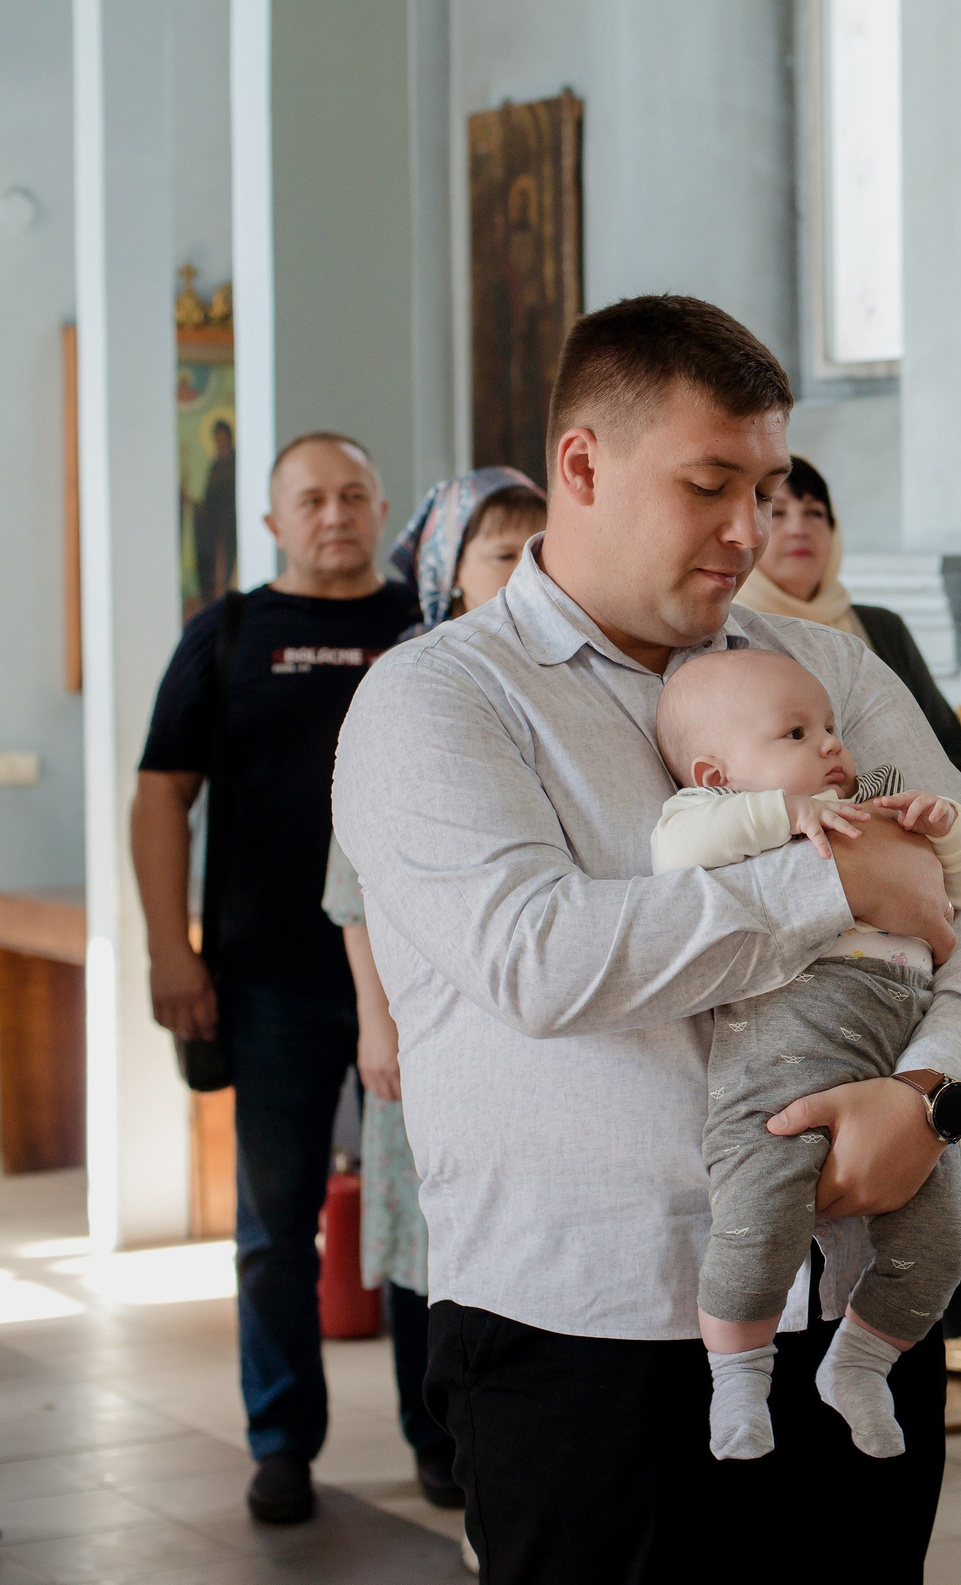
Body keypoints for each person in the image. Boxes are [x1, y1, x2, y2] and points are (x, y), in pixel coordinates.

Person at [331, 294, 961, 1585]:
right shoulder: (438, 696)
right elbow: (540, 957)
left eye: (764, 489)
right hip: (590, 1333)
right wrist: (840, 889)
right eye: (711, 486)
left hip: (851, 1301)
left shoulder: (821, 667)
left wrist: (932, 1092)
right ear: (582, 465)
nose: (748, 532)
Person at [133, 432, 418, 1525]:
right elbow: (163, 795)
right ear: (273, 521)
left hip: (416, 982)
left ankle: (436, 1435)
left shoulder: (426, 631)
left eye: (354, 493)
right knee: (273, 1225)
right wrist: (172, 948)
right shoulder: (231, 633)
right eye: (311, 498)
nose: (334, 513)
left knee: (424, 1218)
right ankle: (282, 1440)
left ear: (381, 505)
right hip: (270, 982)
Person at [653, 648, 961, 1461]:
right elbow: (674, 854)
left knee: (946, 1241)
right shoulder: (719, 816)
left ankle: (863, 1365)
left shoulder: (870, 805)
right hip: (782, 1060)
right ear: (717, 771)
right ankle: (737, 1380)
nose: (831, 746)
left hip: (894, 1056)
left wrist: (951, 833)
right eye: (797, 732)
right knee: (756, 1218)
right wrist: (784, 814)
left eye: (831, 727)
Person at [326, 466, 546, 1533]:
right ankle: (440, 1441)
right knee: (430, 1245)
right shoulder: (413, 688)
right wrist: (379, 1022)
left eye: (536, 546)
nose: (523, 569)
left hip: (529, 1028)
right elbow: (351, 891)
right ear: (450, 574)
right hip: (424, 1026)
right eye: (501, 553)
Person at [734, 456, 961, 771]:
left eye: (814, 512)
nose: (798, 529)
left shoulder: (882, 627)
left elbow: (948, 746)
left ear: (834, 531)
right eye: (778, 512)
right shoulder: (730, 634)